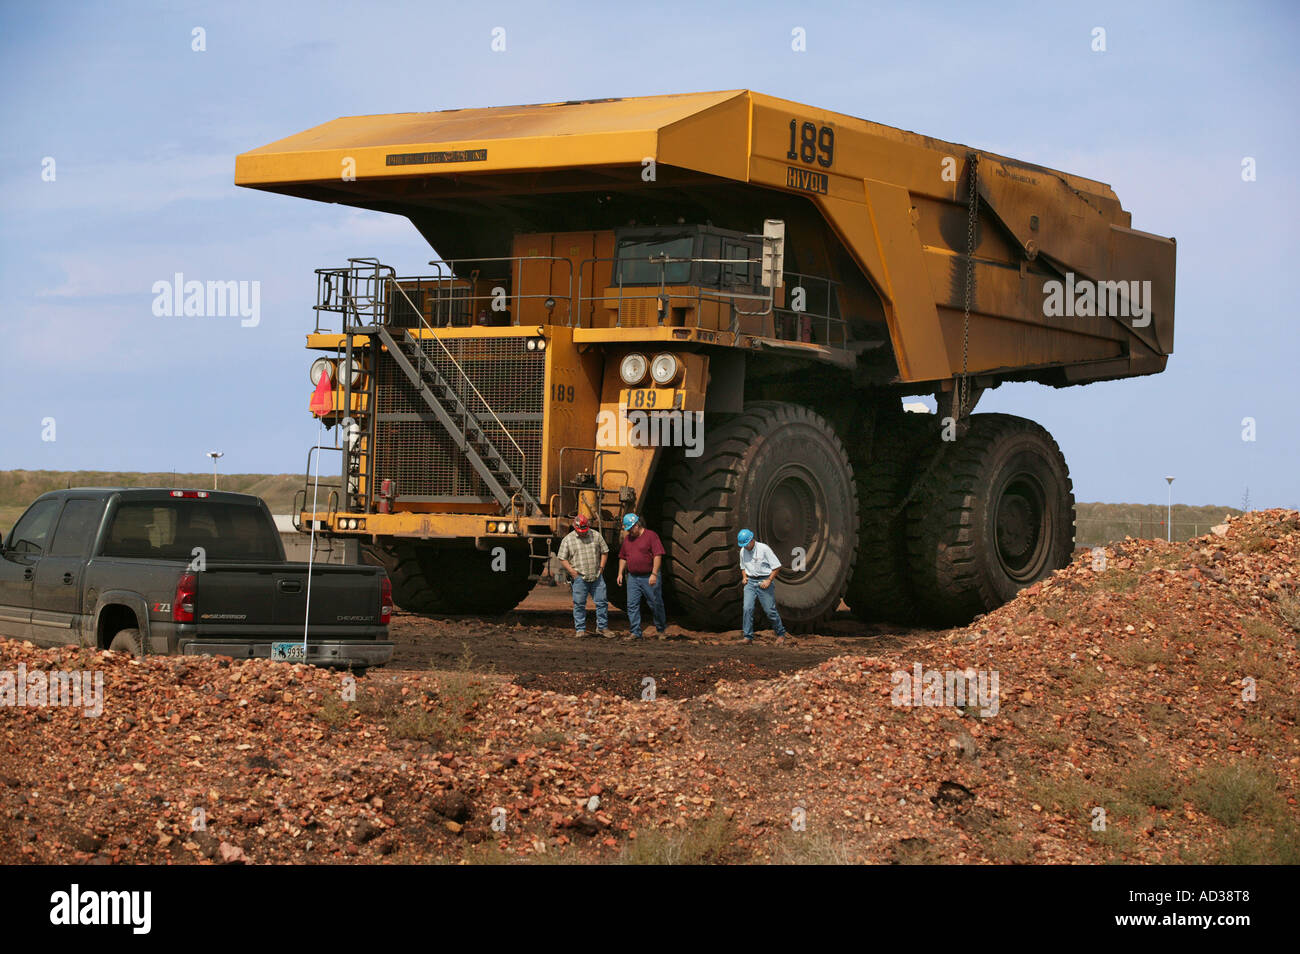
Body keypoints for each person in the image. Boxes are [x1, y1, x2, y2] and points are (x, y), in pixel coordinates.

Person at [616, 512, 667, 640]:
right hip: (633, 577)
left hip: (649, 575)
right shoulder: (628, 540)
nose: (629, 532)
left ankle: (661, 630)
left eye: (630, 529)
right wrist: (620, 573)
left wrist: (654, 574)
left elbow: (657, 555)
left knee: (655, 603)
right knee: (632, 604)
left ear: (637, 525)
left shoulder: (651, 536)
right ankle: (635, 632)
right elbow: (623, 557)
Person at [556, 514, 609, 637]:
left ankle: (602, 627)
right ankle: (580, 629)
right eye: (580, 531)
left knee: (602, 602)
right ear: (575, 527)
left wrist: (601, 568)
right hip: (580, 577)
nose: (583, 533)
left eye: (584, 531)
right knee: (579, 604)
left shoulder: (596, 535)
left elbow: (604, 551)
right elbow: (562, 558)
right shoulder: (568, 540)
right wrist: (572, 572)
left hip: (596, 576)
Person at [737, 528, 787, 644]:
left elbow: (777, 566)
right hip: (750, 582)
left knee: (769, 610)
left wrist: (769, 580)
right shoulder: (742, 551)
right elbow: (743, 566)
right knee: (747, 608)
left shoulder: (764, 549)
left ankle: (780, 634)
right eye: (743, 545)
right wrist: (744, 577)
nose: (745, 547)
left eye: (746, 544)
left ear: (752, 540)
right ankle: (747, 636)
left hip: (763, 581)